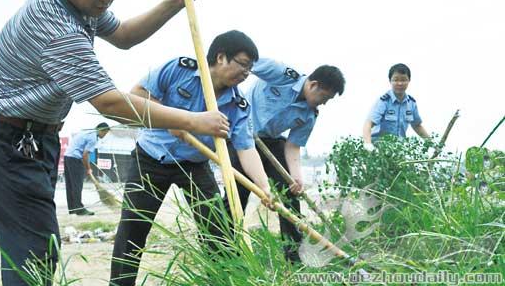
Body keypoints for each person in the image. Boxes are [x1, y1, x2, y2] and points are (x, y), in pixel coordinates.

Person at [0, 0, 229, 285]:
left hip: (33, 137)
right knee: (34, 252)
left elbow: (121, 35)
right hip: (0, 138)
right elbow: (109, 103)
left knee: (38, 249)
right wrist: (196, 121)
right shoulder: (53, 24)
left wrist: (171, 3)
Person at [110, 30, 272, 286]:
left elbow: (245, 147)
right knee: (133, 230)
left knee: (217, 230)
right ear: (221, 57)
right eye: (242, 64)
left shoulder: (238, 104)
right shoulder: (180, 69)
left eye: (249, 69)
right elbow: (137, 94)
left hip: (195, 166)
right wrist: (171, 117)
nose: (245, 73)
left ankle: (220, 280)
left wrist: (263, 186)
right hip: (150, 159)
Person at [224, 58, 345, 263]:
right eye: (324, 97)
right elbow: (245, 68)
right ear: (313, 85)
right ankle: (225, 253)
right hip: (242, 137)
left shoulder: (310, 114)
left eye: (328, 100)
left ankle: (293, 257)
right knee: (237, 195)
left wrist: (296, 178)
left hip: (271, 143)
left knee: (290, 195)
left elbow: (293, 146)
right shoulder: (282, 74)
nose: (323, 103)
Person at [363, 63, 429, 150]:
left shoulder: (411, 103)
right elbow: (369, 123)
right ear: (390, 81)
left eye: (404, 80)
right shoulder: (384, 101)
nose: (400, 83)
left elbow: (417, 125)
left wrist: (431, 142)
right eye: (396, 80)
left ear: (409, 80)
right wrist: (368, 144)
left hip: (398, 149)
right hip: (379, 149)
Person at [64, 122, 110, 215]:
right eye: (105, 133)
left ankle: (72, 208)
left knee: (70, 185)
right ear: (101, 130)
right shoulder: (93, 138)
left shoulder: (87, 131)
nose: (104, 136)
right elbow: (85, 154)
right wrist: (88, 169)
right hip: (75, 158)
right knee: (77, 184)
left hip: (67, 156)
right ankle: (79, 209)